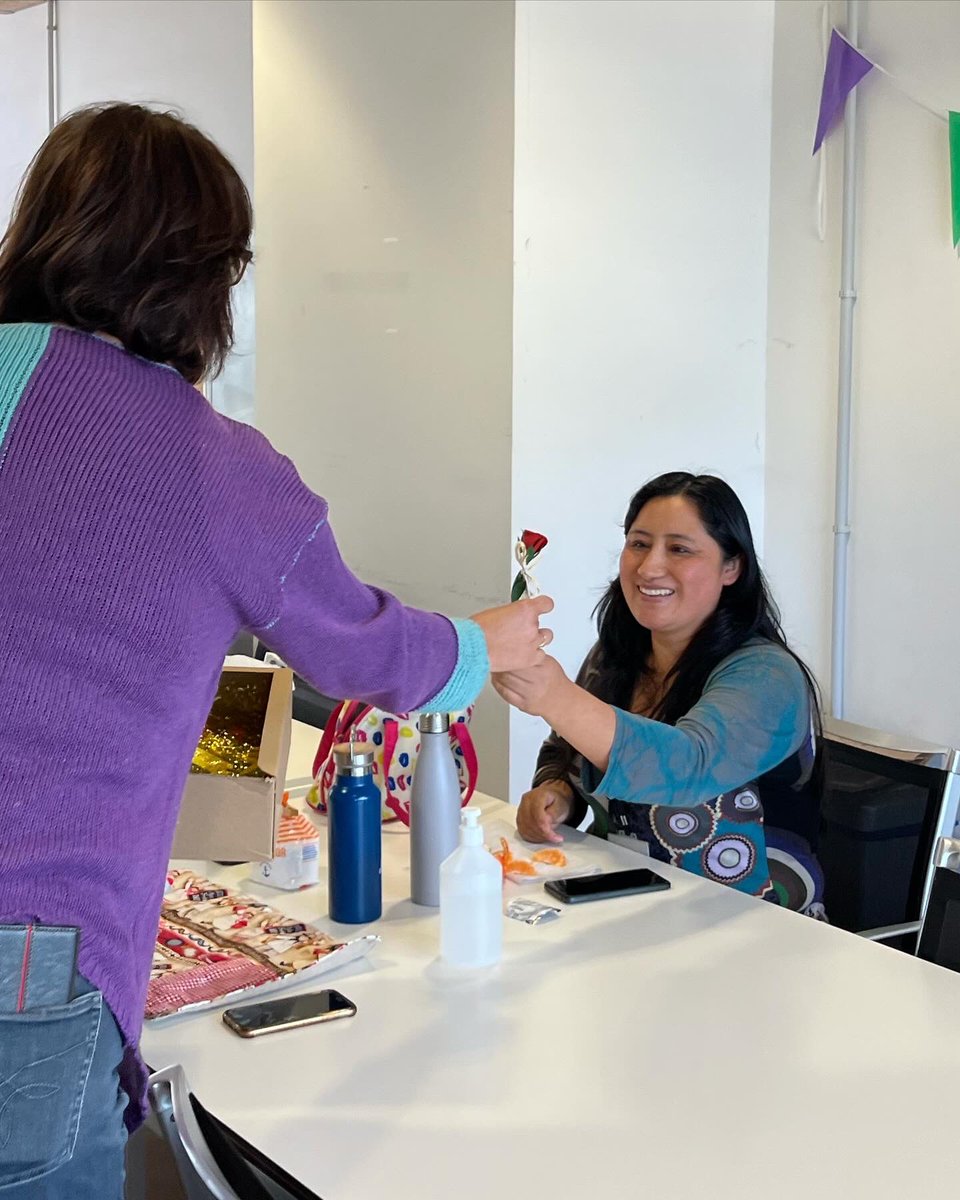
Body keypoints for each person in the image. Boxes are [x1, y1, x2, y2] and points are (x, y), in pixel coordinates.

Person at [0, 103, 552, 1199]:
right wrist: (478, 647)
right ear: (205, 275)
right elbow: (364, 650)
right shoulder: (211, 464)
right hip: (31, 950)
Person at [494, 471, 825, 917]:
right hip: (631, 909)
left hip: (759, 929)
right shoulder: (614, 657)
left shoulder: (767, 675)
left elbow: (688, 767)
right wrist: (558, 794)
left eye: (680, 549)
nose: (649, 567)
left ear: (732, 567)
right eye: (639, 544)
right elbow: (567, 748)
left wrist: (554, 695)